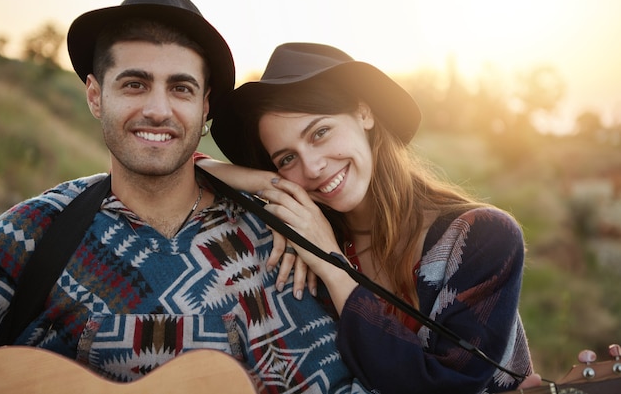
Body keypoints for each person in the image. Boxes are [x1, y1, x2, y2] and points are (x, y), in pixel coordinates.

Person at [0, 0, 369, 393]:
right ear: (95, 96)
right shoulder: (28, 236)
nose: (158, 110)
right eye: (134, 84)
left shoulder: (276, 245)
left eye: (181, 88)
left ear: (204, 107)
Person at [206, 42, 540, 393]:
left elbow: (444, 386)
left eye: (320, 133)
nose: (313, 167)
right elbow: (180, 161)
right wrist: (264, 181)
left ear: (364, 114)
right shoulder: (300, 241)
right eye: (287, 159)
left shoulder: (481, 238)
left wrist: (334, 268)